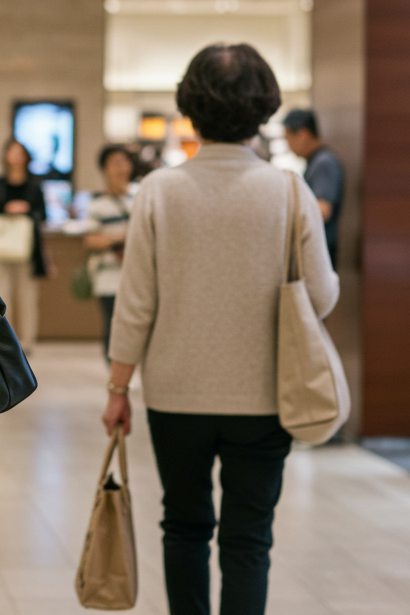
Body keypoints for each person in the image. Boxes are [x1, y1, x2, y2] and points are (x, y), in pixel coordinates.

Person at [102, 44, 338, 615]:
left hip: (176, 394)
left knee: (183, 527)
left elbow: (135, 304)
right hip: (265, 395)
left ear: (191, 105)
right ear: (264, 109)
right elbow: (324, 296)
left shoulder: (159, 190)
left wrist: (117, 389)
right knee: (247, 540)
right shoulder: (290, 190)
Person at [0, 139, 47, 348]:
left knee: (27, 298)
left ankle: (26, 342)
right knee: (1, 294)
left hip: (26, 249)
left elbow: (43, 215)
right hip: (0, 248)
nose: (16, 157)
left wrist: (25, 209)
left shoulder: (35, 185)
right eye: (12, 152)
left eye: (20, 153)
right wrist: (6, 209)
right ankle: (4, 340)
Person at [83, 144, 137, 361]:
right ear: (104, 168)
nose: (121, 167)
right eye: (115, 162)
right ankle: (115, 376)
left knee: (136, 325)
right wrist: (120, 237)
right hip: (108, 276)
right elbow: (91, 240)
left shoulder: (141, 196)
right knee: (113, 326)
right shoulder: (97, 205)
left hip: (138, 275)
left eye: (125, 161)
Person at [282, 108, 344, 269]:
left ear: (303, 134)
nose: (287, 144)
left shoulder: (323, 163)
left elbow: (322, 210)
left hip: (320, 251)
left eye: (288, 137)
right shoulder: (316, 161)